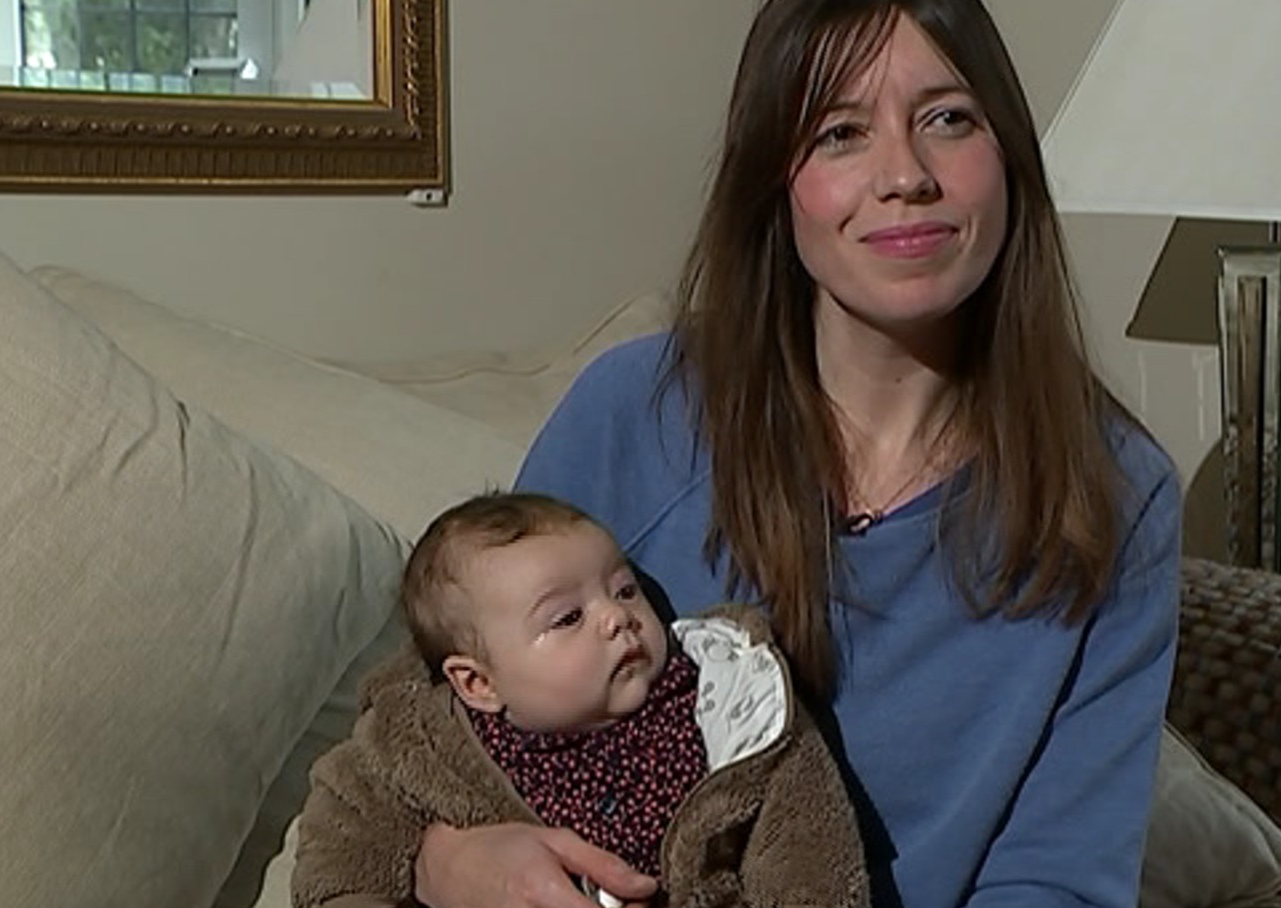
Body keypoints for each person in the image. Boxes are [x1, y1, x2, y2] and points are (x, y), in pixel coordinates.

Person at [414, 1, 1182, 907]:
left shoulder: (1115, 490)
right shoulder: (633, 411)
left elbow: (1059, 879)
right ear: (775, 181)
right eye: (841, 133)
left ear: (1008, 153)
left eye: (948, 118)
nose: (906, 175)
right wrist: (445, 862)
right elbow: (432, 739)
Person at [290, 493, 869, 908]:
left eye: (625, 589)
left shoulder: (733, 708)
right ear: (479, 684)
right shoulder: (424, 745)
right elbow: (345, 847)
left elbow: (809, 856)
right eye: (567, 617)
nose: (617, 617)